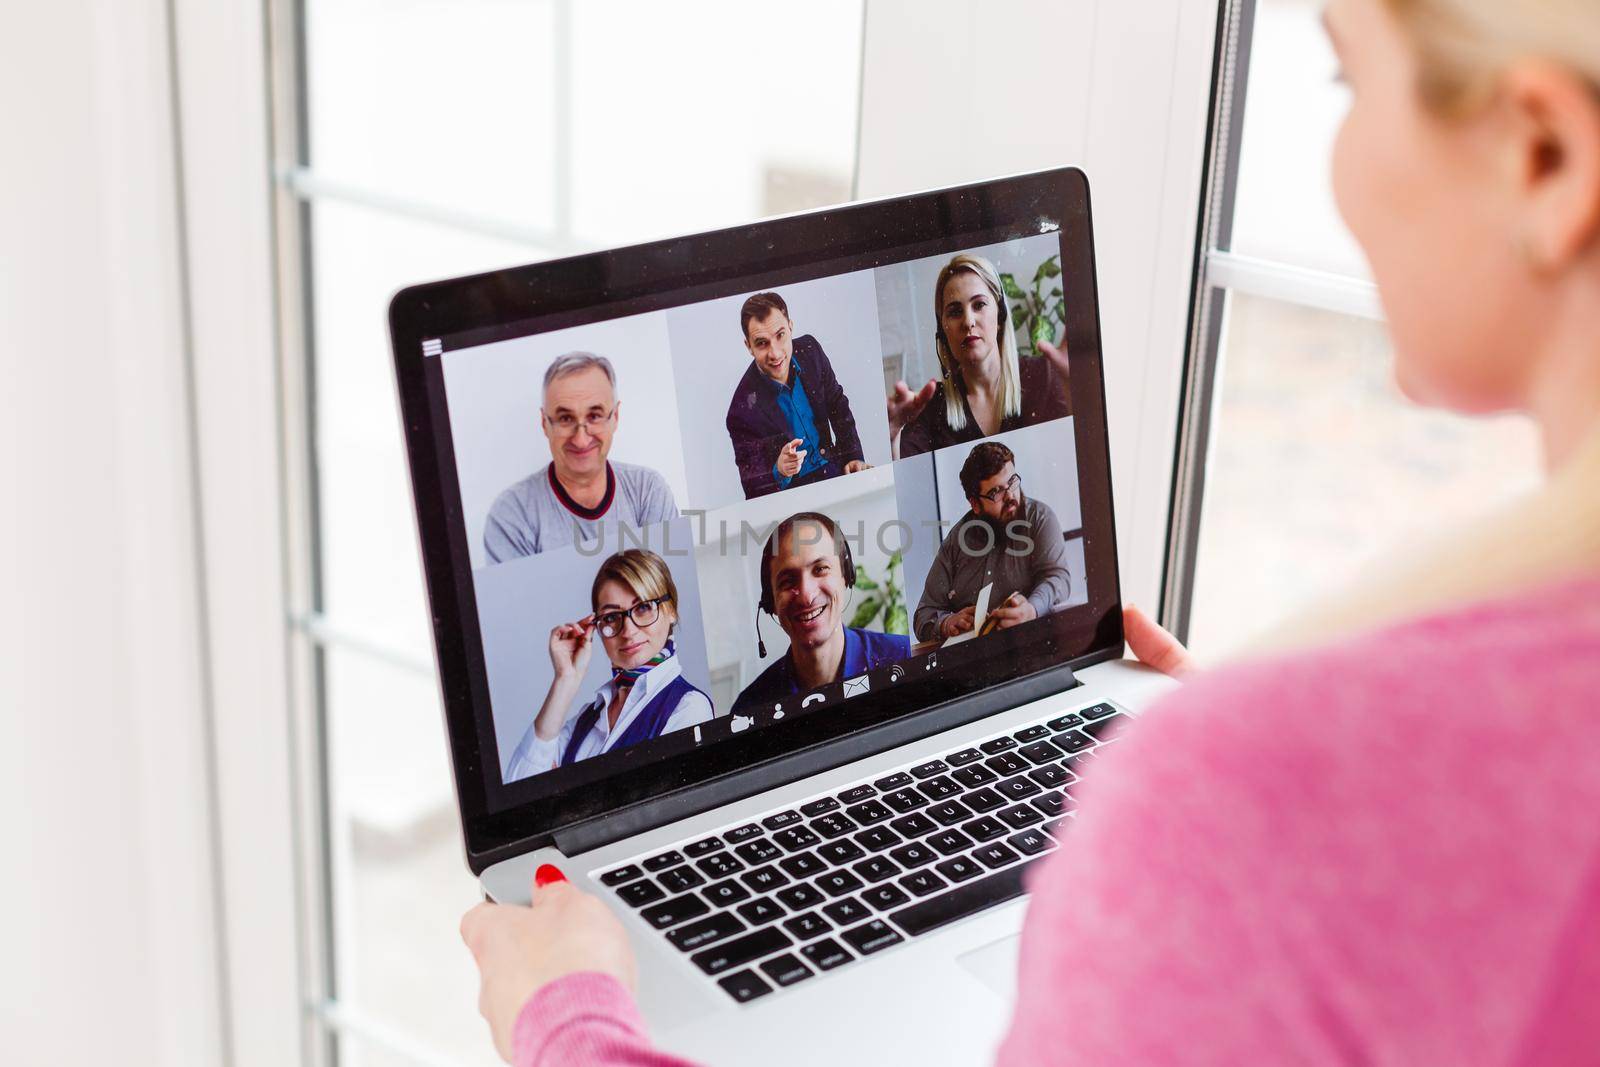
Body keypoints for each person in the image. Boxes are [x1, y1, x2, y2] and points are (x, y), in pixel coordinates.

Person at [460, 0, 1600, 1061]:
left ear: (1541, 156)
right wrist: (1274, 826)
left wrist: (569, 1024)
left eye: (1346, 80)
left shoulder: (1236, 787)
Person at [502, 549, 712, 781]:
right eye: (612, 617)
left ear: (670, 610)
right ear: (597, 626)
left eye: (642, 607)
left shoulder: (688, 707)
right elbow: (521, 787)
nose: (629, 632)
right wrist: (565, 680)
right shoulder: (587, 719)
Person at [483, 352, 678, 563]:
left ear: (616, 417)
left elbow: (669, 586)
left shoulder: (647, 491)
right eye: (565, 418)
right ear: (544, 423)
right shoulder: (512, 514)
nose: (581, 439)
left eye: (594, 416)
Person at [889, 253, 1072, 459]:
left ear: (1000, 316)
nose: (968, 321)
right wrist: (893, 434)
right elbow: (910, 485)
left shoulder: (1044, 376)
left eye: (979, 305)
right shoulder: (931, 408)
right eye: (955, 312)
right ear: (943, 332)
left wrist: (1078, 396)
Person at [733, 512, 910, 707]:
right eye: (787, 581)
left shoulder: (905, 658)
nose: (807, 596)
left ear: (846, 576)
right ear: (770, 603)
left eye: (820, 569)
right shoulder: (749, 707)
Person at [913, 441, 1072, 642]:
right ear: (975, 504)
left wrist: (1031, 610)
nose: (1011, 497)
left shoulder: (1040, 518)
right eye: (996, 492)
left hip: (1033, 647)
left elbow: (1058, 578)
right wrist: (946, 623)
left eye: (1012, 481)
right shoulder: (956, 542)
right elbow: (923, 614)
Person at [723, 292, 870, 499]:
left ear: (791, 326)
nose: (775, 353)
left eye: (780, 335)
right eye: (762, 343)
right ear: (748, 346)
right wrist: (779, 471)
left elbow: (838, 405)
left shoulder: (811, 351)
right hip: (794, 499)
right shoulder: (740, 411)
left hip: (837, 473)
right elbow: (753, 489)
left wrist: (853, 457)